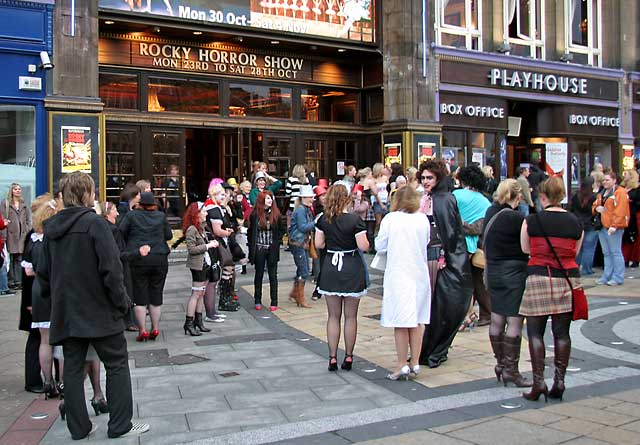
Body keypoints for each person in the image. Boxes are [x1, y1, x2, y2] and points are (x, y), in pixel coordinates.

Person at [38, 172, 148, 439]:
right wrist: (122, 303)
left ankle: (79, 428)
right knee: (116, 363)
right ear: (87, 193)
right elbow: (111, 269)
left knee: (73, 368)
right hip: (99, 308)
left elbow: (44, 274)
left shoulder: (51, 229)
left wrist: (56, 299)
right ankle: (120, 423)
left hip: (68, 310)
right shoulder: (95, 224)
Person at [519, 177, 583, 402]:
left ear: (543, 196)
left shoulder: (532, 220)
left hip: (538, 276)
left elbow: (525, 248)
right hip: (566, 279)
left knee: (535, 332)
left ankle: (539, 382)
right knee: (562, 333)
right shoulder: (576, 222)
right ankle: (560, 380)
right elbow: (575, 252)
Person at [418, 160, 473, 368]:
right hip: (426, 258)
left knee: (441, 307)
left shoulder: (445, 199)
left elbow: (451, 234)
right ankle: (425, 350)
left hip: (441, 260)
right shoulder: (426, 198)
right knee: (429, 307)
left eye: (429, 178)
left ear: (439, 178)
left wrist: (446, 259)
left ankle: (433, 350)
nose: (425, 181)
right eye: (423, 178)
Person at [375, 186, 430, 380]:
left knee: (401, 320)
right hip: (419, 272)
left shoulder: (391, 219)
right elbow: (427, 242)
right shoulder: (422, 219)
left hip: (398, 272)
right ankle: (415, 361)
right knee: (417, 319)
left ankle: (401, 364)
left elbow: (380, 245)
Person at [315, 184, 369, 371]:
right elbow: (363, 246)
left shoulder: (323, 219)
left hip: (331, 265)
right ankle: (348, 357)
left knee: (333, 316)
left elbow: (319, 244)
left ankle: (331, 357)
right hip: (351, 265)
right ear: (347, 198)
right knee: (351, 316)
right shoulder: (355, 220)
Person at [484, 179, 531, 388]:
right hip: (513, 271)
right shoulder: (518, 218)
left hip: (492, 269)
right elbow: (526, 247)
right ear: (518, 196)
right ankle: (511, 370)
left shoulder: (490, 212)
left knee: (497, 319)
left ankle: (500, 363)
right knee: (514, 322)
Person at [119, 191, 172, 341]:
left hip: (139, 259)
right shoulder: (161, 216)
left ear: (140, 204)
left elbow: (122, 231)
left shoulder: (132, 216)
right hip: (159, 258)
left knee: (139, 296)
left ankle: (142, 330)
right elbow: (168, 235)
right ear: (154, 204)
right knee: (156, 295)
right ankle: (155, 328)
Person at [453, 165, 491, 329]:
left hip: (457, 243)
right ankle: (474, 313)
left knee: (458, 282)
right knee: (470, 281)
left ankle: (465, 315)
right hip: (474, 245)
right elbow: (483, 225)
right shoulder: (485, 201)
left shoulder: (456, 195)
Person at [101, 201, 138, 332]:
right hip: (120, 264)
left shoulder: (104, 228)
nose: (117, 212)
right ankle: (129, 320)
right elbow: (120, 251)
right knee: (126, 289)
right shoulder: (114, 230)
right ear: (107, 213)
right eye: (114, 209)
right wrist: (137, 253)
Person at [183, 203, 219, 335]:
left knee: (201, 293)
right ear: (196, 213)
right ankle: (189, 322)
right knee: (196, 294)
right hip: (198, 265)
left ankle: (198, 321)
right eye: (204, 211)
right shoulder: (192, 229)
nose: (206, 213)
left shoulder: (201, 228)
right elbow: (191, 249)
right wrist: (208, 246)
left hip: (205, 264)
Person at [248, 191, 285, 311]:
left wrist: (277, 242)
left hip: (272, 248)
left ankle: (274, 301)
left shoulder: (276, 214)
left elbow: (281, 230)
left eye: (271, 198)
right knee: (259, 274)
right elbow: (250, 232)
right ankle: (257, 300)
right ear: (261, 200)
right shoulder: (255, 214)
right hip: (259, 248)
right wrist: (251, 249)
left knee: (273, 275)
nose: (270, 200)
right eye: (267, 198)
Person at [593, 170, 630, 286]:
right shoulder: (602, 192)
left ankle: (618, 277)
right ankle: (607, 275)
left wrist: (615, 225)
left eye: (607, 179)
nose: (605, 182)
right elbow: (594, 205)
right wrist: (596, 209)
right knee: (607, 253)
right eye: (604, 179)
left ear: (614, 180)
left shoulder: (620, 192)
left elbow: (621, 210)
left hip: (613, 227)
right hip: (603, 226)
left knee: (615, 252)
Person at [288, 185, 315, 308]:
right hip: (299, 243)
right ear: (303, 198)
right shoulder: (301, 210)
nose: (312, 199)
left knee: (302, 268)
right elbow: (303, 227)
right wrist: (316, 222)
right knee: (304, 270)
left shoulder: (303, 209)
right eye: (310, 197)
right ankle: (300, 296)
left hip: (299, 242)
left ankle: (296, 293)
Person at [1, 183, 31, 289]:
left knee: (19, 257)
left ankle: (18, 281)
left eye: (19, 189)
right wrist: (4, 235)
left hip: (21, 235)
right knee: (11, 257)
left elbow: (27, 219)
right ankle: (11, 280)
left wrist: (27, 229)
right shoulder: (6, 203)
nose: (18, 191)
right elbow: (3, 219)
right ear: (11, 191)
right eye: (15, 189)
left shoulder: (24, 204)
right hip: (10, 235)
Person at [570, 177, 598, 276]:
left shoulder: (576, 196)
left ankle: (576, 267)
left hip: (577, 223)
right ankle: (587, 269)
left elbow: (572, 209)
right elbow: (595, 211)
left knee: (579, 247)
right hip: (589, 224)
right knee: (589, 248)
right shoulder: (593, 197)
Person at [621, 170, 640, 268]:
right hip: (623, 214)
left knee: (634, 237)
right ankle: (625, 258)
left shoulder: (637, 189)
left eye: (626, 174)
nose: (624, 176)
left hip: (633, 214)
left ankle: (635, 259)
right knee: (624, 238)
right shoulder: (622, 188)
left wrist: (631, 202)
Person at [371, 163, 389, 235]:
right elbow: (374, 193)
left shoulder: (385, 178)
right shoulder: (373, 179)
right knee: (378, 222)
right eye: (382, 168)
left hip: (386, 199)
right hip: (377, 201)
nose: (383, 169)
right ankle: (376, 235)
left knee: (386, 221)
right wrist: (381, 203)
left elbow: (388, 189)